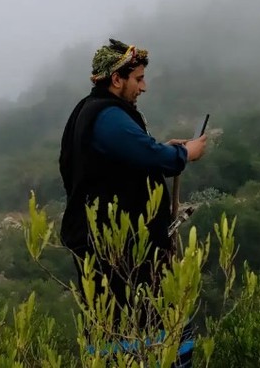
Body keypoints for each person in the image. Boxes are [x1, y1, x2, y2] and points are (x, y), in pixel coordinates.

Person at [59, 38, 207, 328]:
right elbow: (148, 154)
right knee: (140, 324)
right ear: (117, 79)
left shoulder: (90, 109)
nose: (143, 87)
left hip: (111, 244)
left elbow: (130, 155)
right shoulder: (107, 116)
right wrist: (185, 153)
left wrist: (164, 150)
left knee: (117, 325)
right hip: (120, 249)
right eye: (138, 79)